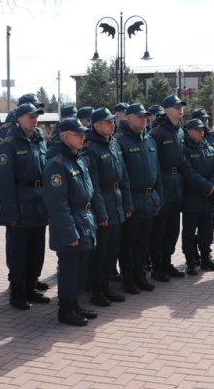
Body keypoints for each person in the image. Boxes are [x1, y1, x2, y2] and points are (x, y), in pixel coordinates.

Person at [0, 102, 51, 310]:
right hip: (21, 203)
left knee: (37, 249)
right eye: (30, 117)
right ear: (19, 119)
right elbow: (4, 181)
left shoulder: (39, 141)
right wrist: (10, 211)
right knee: (19, 251)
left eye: (36, 117)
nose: (34, 120)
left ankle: (31, 286)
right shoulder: (9, 143)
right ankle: (17, 291)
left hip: (39, 202)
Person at [42, 118, 98, 326]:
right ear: (65, 136)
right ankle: (65, 309)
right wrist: (69, 231)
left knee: (80, 268)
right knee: (69, 269)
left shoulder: (77, 158)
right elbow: (57, 204)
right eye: (78, 135)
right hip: (71, 222)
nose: (83, 138)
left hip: (83, 219)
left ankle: (74, 304)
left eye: (84, 134)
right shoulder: (57, 164)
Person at [83, 107, 133, 307]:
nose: (113, 124)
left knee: (112, 249)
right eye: (108, 122)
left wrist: (127, 203)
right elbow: (93, 186)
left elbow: (124, 177)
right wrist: (101, 213)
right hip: (103, 203)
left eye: (113, 121)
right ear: (97, 126)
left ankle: (106, 286)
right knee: (100, 252)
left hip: (117, 201)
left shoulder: (113, 143)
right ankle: (96, 291)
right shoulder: (90, 148)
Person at [115, 103, 163, 294]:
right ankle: (127, 277)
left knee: (143, 242)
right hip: (132, 200)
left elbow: (157, 173)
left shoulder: (149, 141)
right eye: (140, 116)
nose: (144, 119)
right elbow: (121, 177)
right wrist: (126, 204)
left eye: (145, 117)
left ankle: (139, 273)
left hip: (149, 199)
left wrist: (159, 198)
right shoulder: (120, 141)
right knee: (129, 242)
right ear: (128, 118)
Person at [148, 94, 187, 280]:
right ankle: (156, 266)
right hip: (162, 183)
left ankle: (167, 261)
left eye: (181, 106)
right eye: (176, 107)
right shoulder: (157, 132)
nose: (180, 109)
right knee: (160, 229)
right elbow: (151, 162)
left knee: (173, 228)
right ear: (166, 110)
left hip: (176, 183)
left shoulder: (180, 131)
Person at [180, 118, 214, 275]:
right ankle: (190, 262)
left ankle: (206, 259)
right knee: (189, 232)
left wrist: (213, 185)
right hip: (192, 198)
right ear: (189, 131)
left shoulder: (209, 148)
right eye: (197, 129)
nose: (201, 132)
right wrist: (207, 186)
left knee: (206, 231)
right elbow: (188, 173)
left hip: (208, 198)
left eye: (202, 129)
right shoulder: (184, 149)